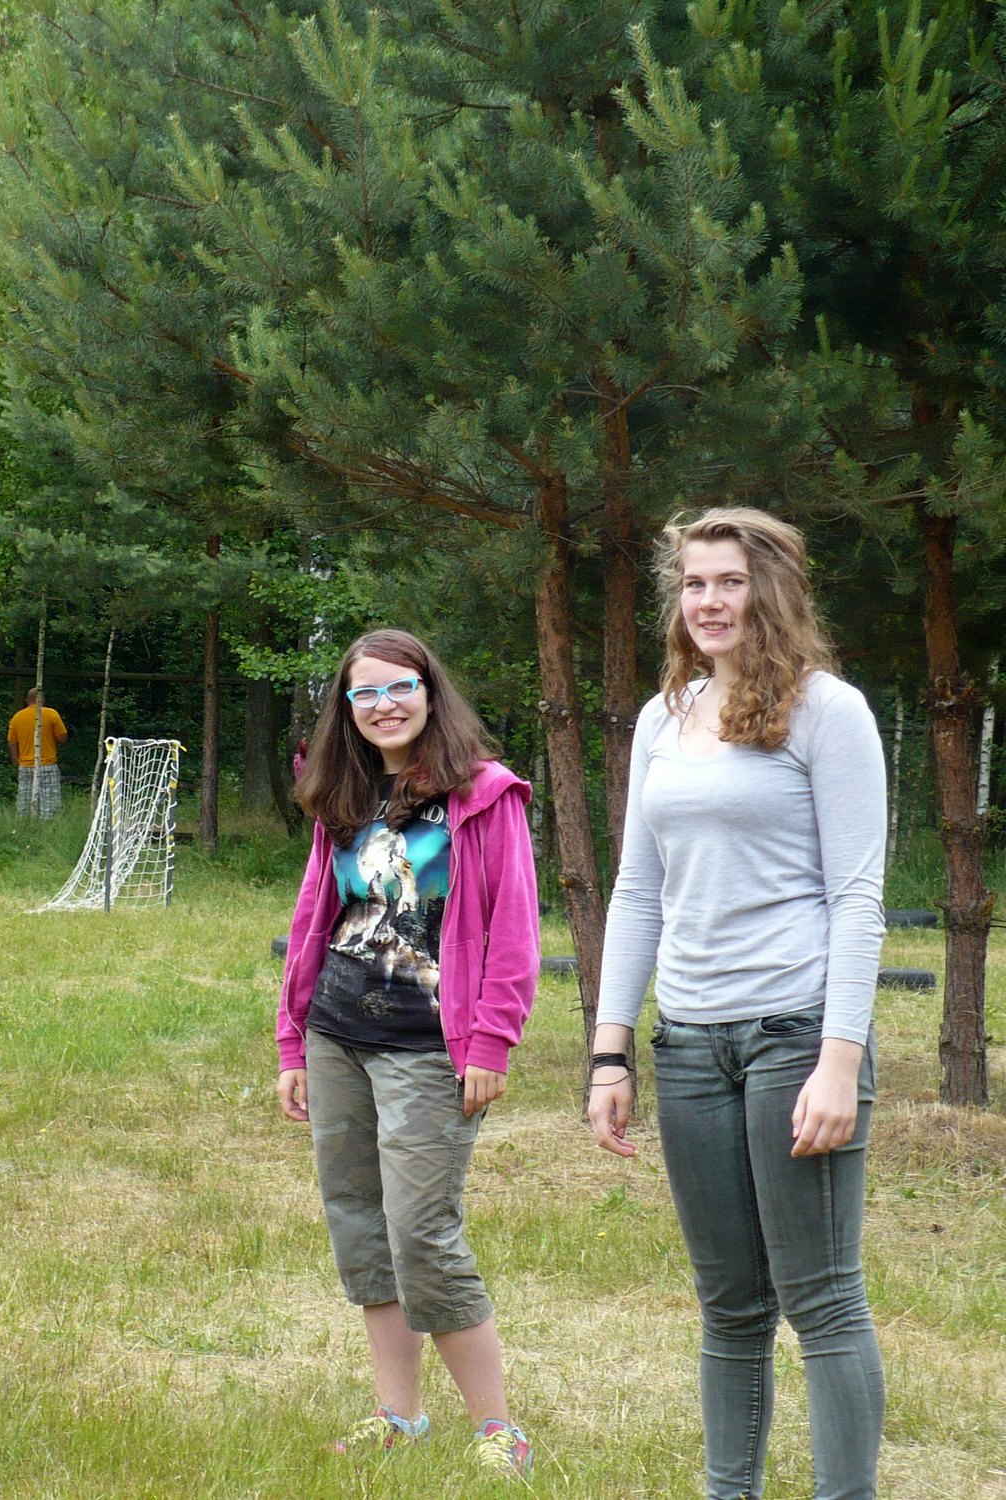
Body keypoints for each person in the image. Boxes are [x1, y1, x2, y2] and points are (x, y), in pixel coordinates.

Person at [588, 508, 885, 1500]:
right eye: (692, 583)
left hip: (793, 1036)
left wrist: (839, 1059)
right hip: (688, 1046)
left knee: (821, 1300)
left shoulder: (827, 710)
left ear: (771, 591)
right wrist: (609, 1051)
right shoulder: (661, 718)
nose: (707, 602)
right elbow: (637, 892)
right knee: (728, 1307)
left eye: (728, 581)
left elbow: (856, 897)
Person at [275, 627, 538, 1478]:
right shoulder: (344, 796)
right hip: (337, 1037)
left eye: (400, 687)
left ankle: (499, 1430)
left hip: (431, 1049)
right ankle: (399, 1418)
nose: (384, 705)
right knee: (360, 1226)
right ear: (346, 707)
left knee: (422, 1233)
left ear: (430, 692)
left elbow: (514, 932)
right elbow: (315, 919)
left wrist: (492, 1040)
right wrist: (292, 1040)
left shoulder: (485, 795)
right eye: (365, 692)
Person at [6, 687, 68, 817]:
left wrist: (17, 762)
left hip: (25, 765)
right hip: (47, 764)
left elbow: (12, 743)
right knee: (50, 805)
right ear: (42, 700)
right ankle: (48, 825)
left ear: (27, 700)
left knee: (24, 803)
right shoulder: (51, 714)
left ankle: (24, 824)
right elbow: (62, 738)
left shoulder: (17, 717)